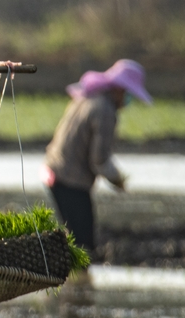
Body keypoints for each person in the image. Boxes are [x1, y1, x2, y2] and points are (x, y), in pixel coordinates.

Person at [43, 59, 153, 252]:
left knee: (75, 239)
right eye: (128, 94)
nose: (128, 101)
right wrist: (117, 180)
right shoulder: (105, 111)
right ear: (119, 90)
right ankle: (79, 281)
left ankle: (75, 280)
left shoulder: (88, 97)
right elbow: (99, 160)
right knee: (83, 244)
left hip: (55, 171)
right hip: (71, 180)